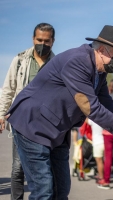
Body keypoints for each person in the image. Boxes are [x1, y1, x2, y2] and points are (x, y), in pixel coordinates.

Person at [3, 25, 113, 199]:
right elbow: (89, 106)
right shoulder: (77, 61)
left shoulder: (99, 70)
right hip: (33, 125)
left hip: (57, 129)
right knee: (44, 191)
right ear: (101, 50)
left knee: (61, 189)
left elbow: (107, 102)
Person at [0, 22, 55, 200]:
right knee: (18, 168)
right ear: (33, 39)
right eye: (39, 39)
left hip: (46, 124)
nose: (42, 44)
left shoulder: (57, 63)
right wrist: (1, 113)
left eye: (46, 41)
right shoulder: (20, 60)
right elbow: (8, 88)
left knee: (44, 168)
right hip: (21, 121)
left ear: (52, 41)